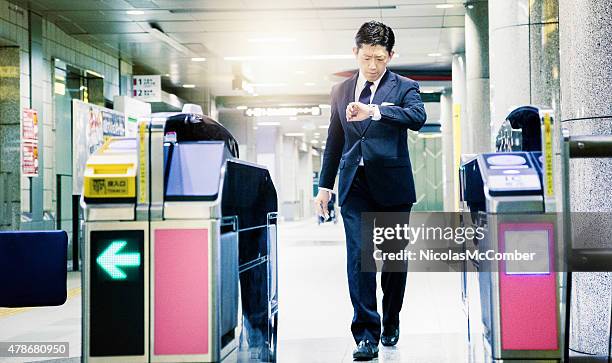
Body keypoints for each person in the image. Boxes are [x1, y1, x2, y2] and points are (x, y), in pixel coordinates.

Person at [314, 20, 426, 360]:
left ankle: (391, 319)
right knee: (359, 256)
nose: (373, 65)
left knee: (393, 260)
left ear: (390, 55)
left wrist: (374, 111)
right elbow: (335, 141)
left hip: (392, 185)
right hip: (355, 185)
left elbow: (417, 116)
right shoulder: (340, 91)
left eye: (379, 58)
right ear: (355, 53)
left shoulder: (405, 86)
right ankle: (366, 333)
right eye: (366, 58)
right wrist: (324, 186)